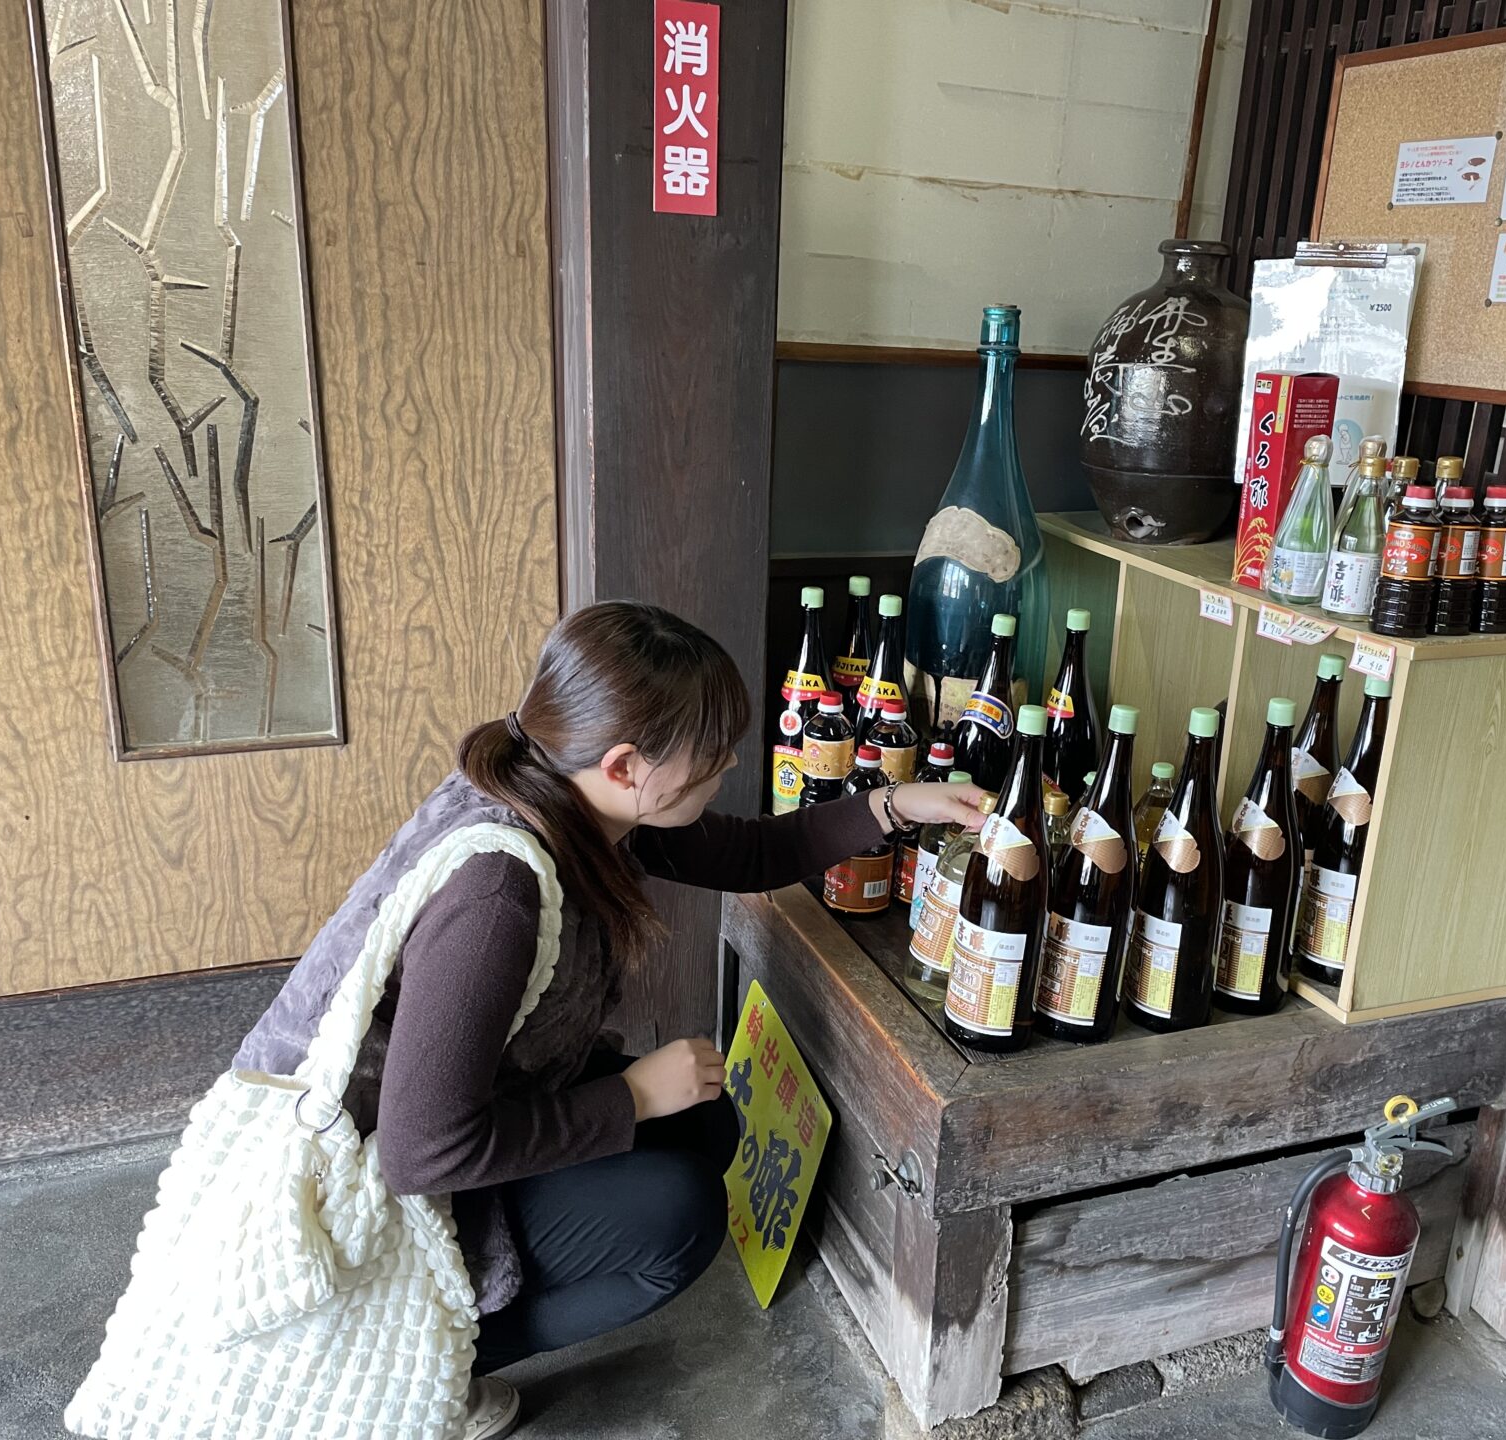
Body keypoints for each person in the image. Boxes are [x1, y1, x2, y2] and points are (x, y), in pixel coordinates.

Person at [228, 601, 987, 1439]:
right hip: (370, 1193)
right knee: (677, 1218)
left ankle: (441, 1339)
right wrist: (627, 1097)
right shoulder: (497, 895)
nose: (729, 762)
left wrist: (893, 807)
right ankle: (406, 1368)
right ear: (627, 763)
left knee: (704, 1122)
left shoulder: (572, 789)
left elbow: (747, 854)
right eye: (711, 752)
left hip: (460, 1115)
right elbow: (420, 1150)